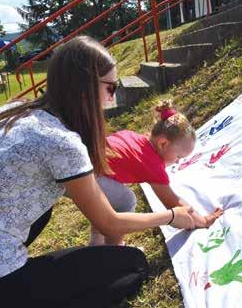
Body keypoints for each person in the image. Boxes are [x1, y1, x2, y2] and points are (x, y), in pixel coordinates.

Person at [0, 36, 195, 308]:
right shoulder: (61, 141)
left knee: (47, 210)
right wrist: (171, 217)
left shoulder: (10, 111)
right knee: (132, 265)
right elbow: (110, 222)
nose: (111, 99)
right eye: (110, 87)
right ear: (85, 87)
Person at [90, 100, 223, 246]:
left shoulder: (136, 138)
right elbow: (173, 203)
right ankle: (113, 250)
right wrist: (203, 221)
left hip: (86, 161)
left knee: (107, 202)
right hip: (89, 174)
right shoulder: (152, 165)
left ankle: (96, 245)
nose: (178, 162)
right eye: (178, 157)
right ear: (163, 143)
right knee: (124, 201)